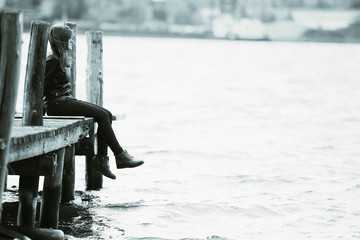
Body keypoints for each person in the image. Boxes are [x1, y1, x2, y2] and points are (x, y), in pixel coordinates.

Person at [43, 24, 144, 180]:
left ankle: (102, 160)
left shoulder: (60, 59)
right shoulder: (52, 60)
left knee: (106, 114)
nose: (72, 43)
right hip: (57, 104)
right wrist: (39, 113)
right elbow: (39, 87)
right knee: (102, 116)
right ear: (62, 41)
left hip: (64, 101)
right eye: (70, 39)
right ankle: (120, 155)